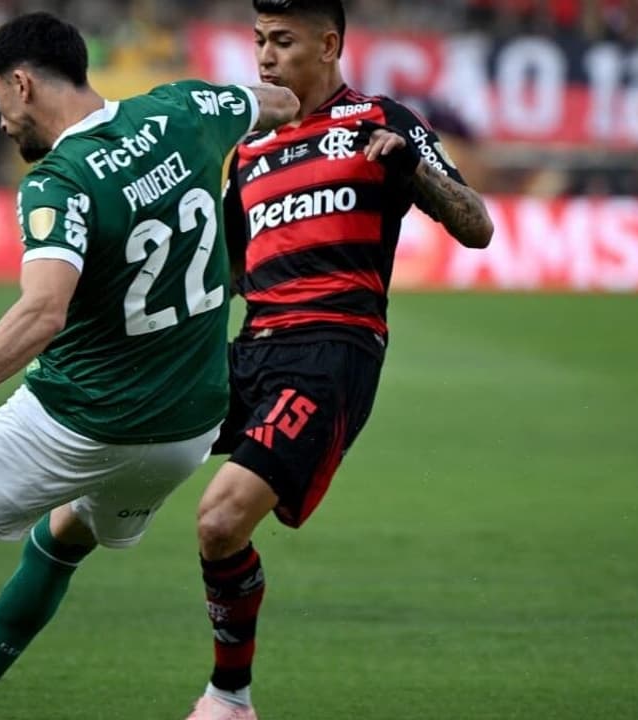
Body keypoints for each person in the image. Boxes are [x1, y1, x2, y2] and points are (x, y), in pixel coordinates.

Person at [0, 12, 298, 719]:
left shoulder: (60, 181)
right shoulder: (183, 108)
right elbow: (281, 104)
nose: (0, 124)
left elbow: (43, 312)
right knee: (64, 535)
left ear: (22, 84)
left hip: (88, 417)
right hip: (187, 432)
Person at [184, 2, 494, 718]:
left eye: (282, 42)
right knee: (104, 455)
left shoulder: (382, 121)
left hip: (329, 354)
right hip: (248, 351)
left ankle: (229, 697)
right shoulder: (252, 148)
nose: (264, 56)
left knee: (219, 521)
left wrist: (415, 170)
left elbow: (476, 226)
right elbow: (225, 272)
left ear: (328, 45)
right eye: (258, 40)